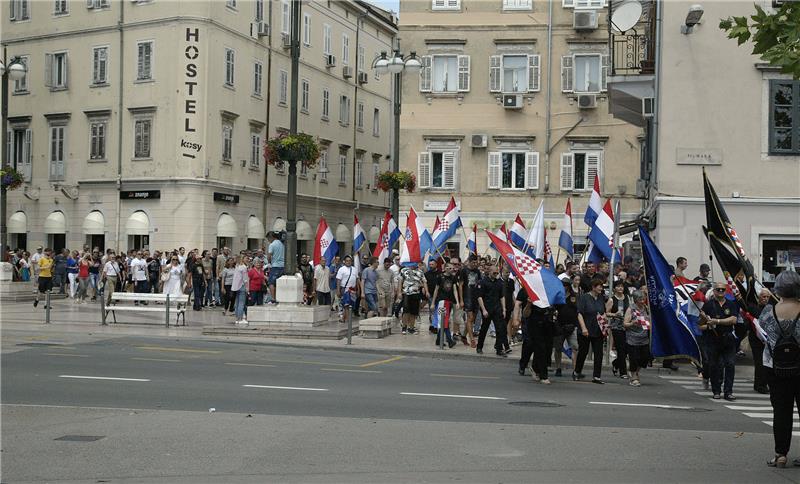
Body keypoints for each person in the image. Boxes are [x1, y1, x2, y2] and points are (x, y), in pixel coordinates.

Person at [758, 271, 800, 468]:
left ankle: (781, 454)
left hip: (775, 368)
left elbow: (763, 336)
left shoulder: (768, 311)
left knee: (781, 412)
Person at [700, 281, 739, 400]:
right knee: (714, 365)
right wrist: (708, 324)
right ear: (714, 291)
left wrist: (717, 322)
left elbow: (733, 320)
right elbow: (700, 325)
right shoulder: (708, 305)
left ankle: (728, 392)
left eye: (723, 289)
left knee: (730, 364)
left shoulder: (731, 304)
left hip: (728, 338)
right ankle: (716, 390)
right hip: (713, 339)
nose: (721, 292)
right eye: (718, 290)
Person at [575, 279, 607, 384]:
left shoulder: (601, 298)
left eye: (602, 287)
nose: (601, 289)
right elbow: (579, 313)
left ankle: (597, 376)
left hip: (598, 329)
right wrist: (584, 328)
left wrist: (604, 323)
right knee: (583, 352)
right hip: (586, 328)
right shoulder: (584, 298)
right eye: (599, 286)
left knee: (598, 353)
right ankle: (577, 371)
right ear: (593, 287)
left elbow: (603, 312)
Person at [476, 266, 507, 357]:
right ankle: (479, 347)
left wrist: (504, 309)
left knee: (500, 329)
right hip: (487, 309)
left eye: (497, 273)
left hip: (497, 309)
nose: (496, 274)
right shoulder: (483, 282)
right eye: (494, 273)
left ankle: (499, 348)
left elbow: (502, 296)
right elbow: (479, 297)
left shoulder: (499, 283)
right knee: (484, 329)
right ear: (489, 271)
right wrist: (484, 310)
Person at [553, 275, 581, 377]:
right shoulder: (557, 296)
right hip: (559, 325)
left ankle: (575, 370)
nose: (564, 287)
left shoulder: (574, 296)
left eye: (566, 285)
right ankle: (558, 368)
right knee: (558, 348)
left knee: (575, 347)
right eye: (563, 285)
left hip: (571, 326)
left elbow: (577, 311)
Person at [623, 290, 651, 387]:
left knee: (645, 358)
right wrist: (632, 323)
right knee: (634, 358)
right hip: (633, 338)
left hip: (644, 338)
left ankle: (636, 371)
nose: (642, 301)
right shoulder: (631, 309)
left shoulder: (646, 308)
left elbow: (649, 320)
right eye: (640, 299)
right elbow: (625, 323)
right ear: (635, 300)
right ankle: (634, 376)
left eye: (644, 299)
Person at [748, 289, 772, 394]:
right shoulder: (754, 307)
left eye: (767, 297)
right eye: (763, 296)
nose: (765, 299)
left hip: (768, 339)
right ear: (759, 297)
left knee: (767, 363)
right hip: (756, 339)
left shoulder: (771, 308)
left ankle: (762, 383)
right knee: (759, 362)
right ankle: (760, 385)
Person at [431, 262, 459, 348]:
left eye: (452, 268)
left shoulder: (453, 277)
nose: (452, 270)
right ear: (446, 268)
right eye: (450, 268)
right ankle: (449, 340)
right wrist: (433, 302)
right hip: (441, 302)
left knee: (444, 321)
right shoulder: (440, 277)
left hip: (449, 301)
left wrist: (457, 301)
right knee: (444, 321)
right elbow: (436, 290)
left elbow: (454, 290)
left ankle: (438, 340)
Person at [607, 280, 630, 379]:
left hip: (627, 325)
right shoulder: (612, 300)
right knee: (620, 349)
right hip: (616, 326)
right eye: (618, 286)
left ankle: (616, 363)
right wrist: (614, 314)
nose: (620, 288)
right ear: (614, 288)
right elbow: (607, 313)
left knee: (626, 349)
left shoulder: (627, 298)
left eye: (622, 286)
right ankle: (623, 372)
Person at [458, 255, 482, 347]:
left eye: (476, 262)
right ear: (469, 261)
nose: (475, 264)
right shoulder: (464, 271)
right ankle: (472, 339)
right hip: (467, 297)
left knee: (472, 320)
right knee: (470, 318)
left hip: (476, 298)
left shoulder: (478, 271)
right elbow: (460, 285)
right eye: (473, 262)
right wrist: (461, 300)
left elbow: (479, 284)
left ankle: (463, 336)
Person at [399, 261, 428, 335]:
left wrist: (427, 291)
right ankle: (404, 327)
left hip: (416, 293)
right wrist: (399, 292)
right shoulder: (404, 270)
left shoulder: (420, 272)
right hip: (406, 293)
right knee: (406, 311)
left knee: (414, 312)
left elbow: (424, 282)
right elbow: (400, 281)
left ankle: (411, 328)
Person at [336, 255, 359, 324]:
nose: (348, 262)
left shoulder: (354, 269)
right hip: (345, 289)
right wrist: (338, 290)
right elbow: (338, 280)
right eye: (347, 261)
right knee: (346, 304)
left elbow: (357, 280)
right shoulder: (341, 269)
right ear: (344, 262)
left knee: (351, 304)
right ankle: (348, 319)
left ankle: (343, 318)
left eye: (350, 261)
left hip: (353, 290)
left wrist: (358, 290)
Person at [266, 232, 285, 304]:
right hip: (283, 266)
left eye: (268, 239)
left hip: (275, 266)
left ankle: (273, 298)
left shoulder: (272, 244)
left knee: (271, 282)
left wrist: (269, 262)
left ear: (271, 237)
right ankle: (279, 297)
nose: (268, 240)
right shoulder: (282, 244)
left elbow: (269, 255)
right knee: (279, 283)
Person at [232, 255, 250, 324]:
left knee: (237, 302)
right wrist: (247, 288)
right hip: (242, 286)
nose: (248, 260)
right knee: (241, 303)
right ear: (242, 259)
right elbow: (245, 279)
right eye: (246, 258)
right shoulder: (244, 267)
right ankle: (240, 318)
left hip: (236, 287)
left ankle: (237, 318)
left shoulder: (237, 267)